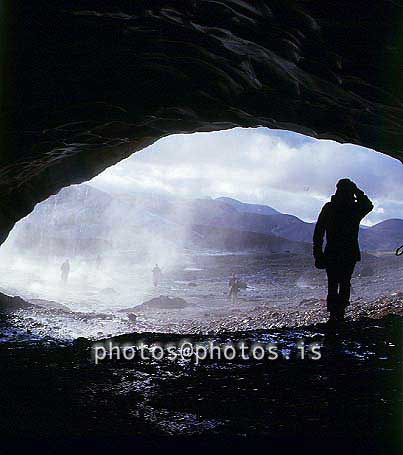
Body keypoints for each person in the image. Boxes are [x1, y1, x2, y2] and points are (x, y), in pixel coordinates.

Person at [313, 179, 373, 322]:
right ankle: (340, 312)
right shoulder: (354, 209)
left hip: (332, 253)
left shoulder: (329, 208)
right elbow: (368, 205)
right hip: (349, 253)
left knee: (333, 283)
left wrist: (318, 253)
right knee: (345, 282)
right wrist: (357, 190)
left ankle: (334, 314)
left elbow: (318, 233)